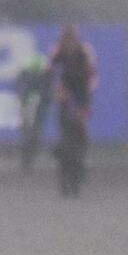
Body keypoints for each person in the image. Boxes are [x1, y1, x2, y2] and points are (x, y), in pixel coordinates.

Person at [48, 24, 97, 191]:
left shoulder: (84, 51)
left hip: (80, 92)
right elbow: (50, 70)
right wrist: (56, 90)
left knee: (80, 129)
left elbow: (92, 74)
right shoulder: (59, 50)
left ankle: (81, 159)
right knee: (65, 129)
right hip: (68, 92)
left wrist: (86, 99)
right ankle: (62, 153)